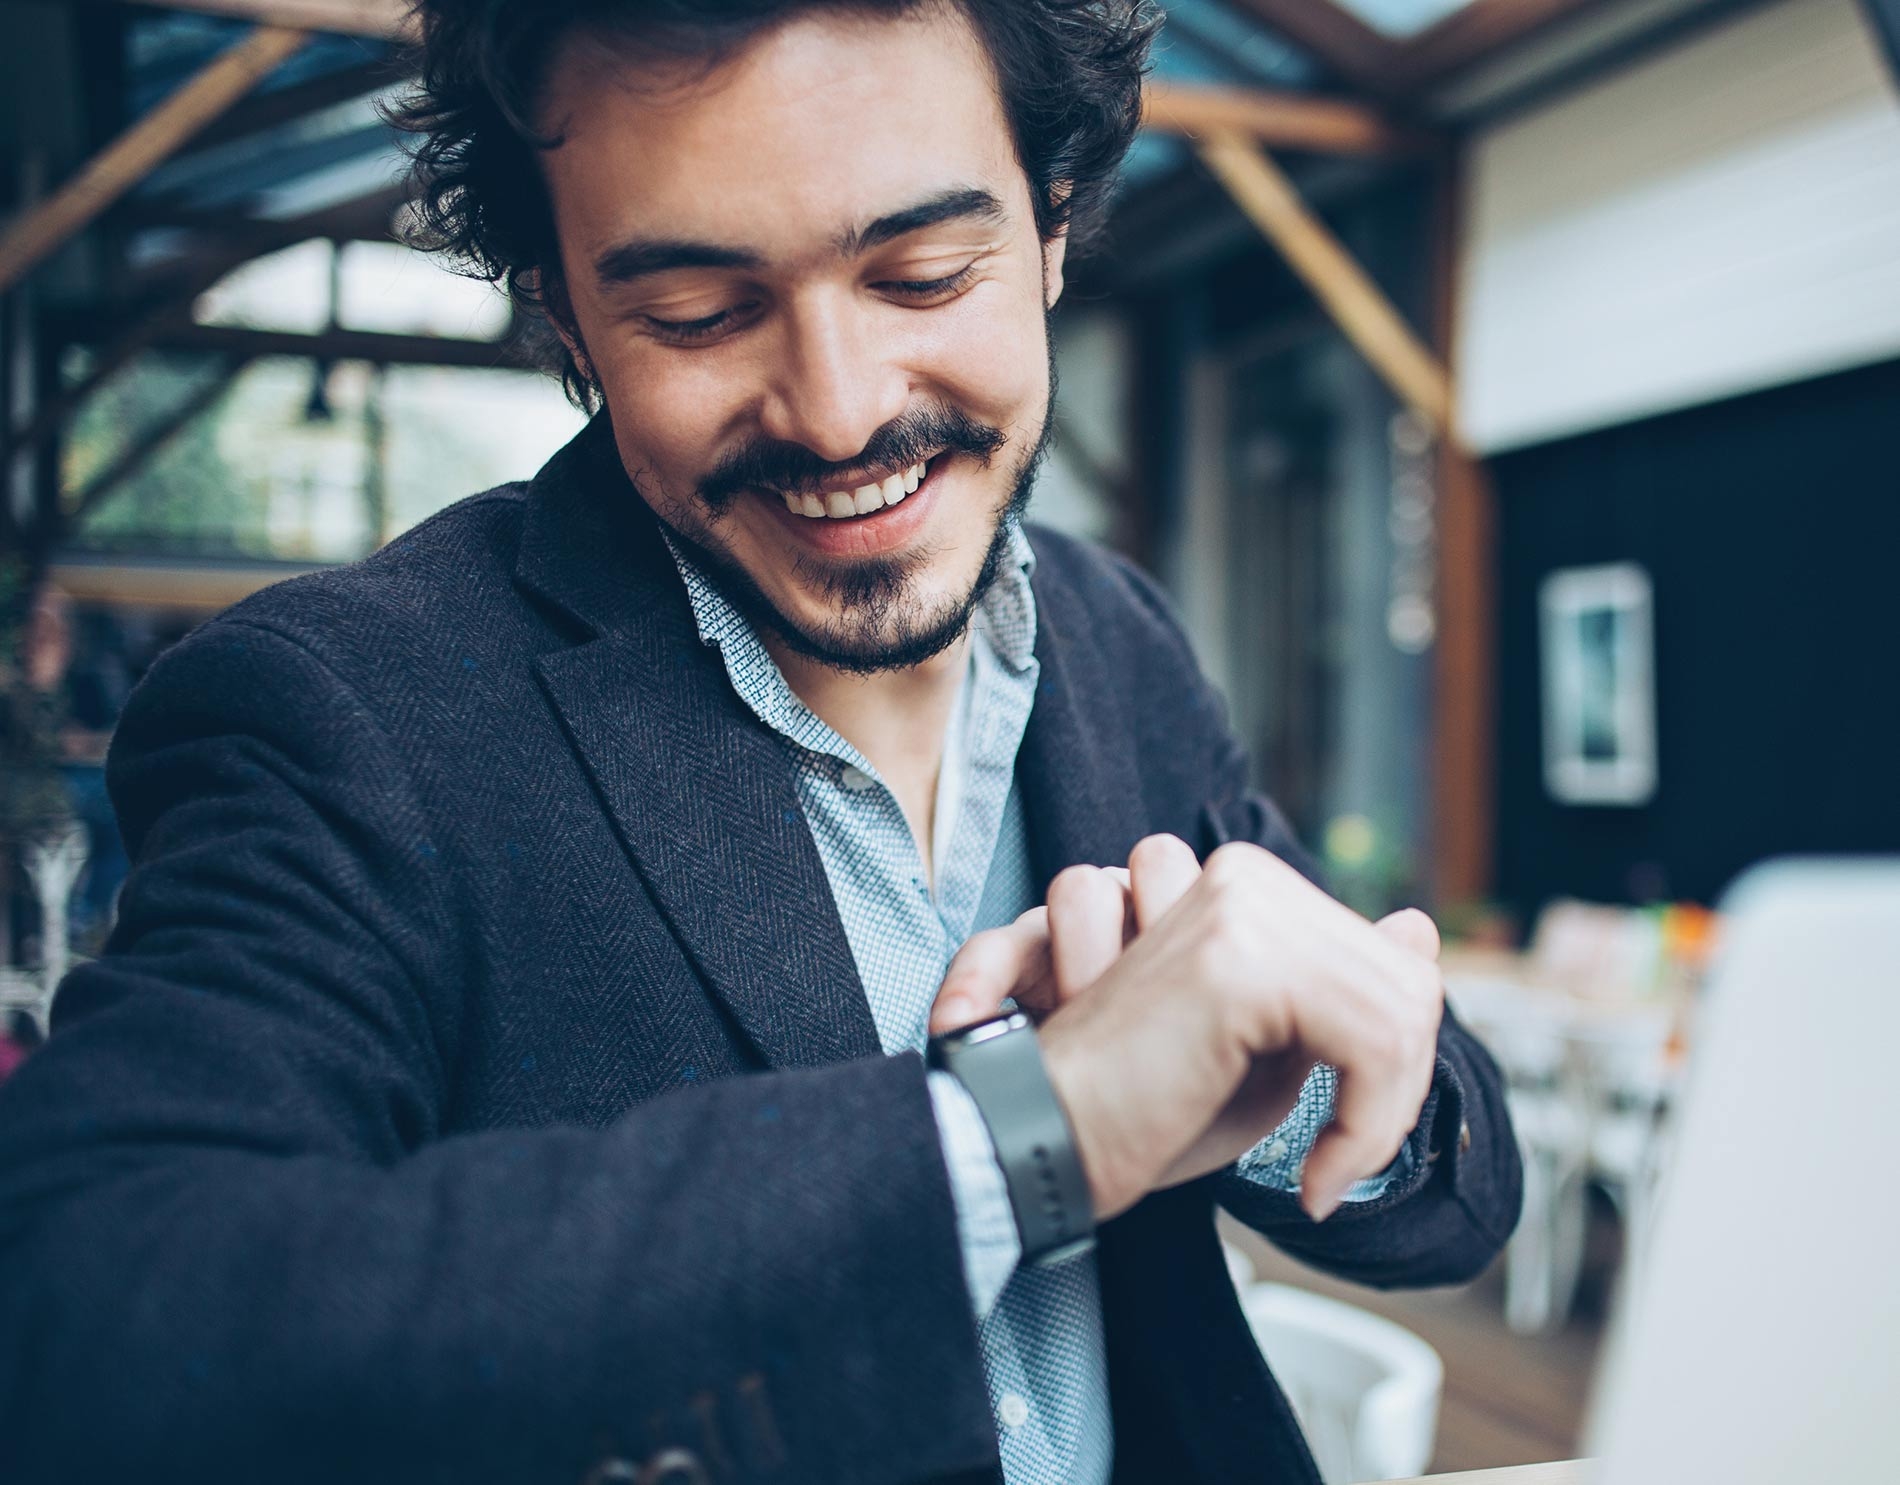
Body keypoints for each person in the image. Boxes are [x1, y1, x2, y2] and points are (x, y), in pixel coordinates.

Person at [0, 3, 1522, 1482]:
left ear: (1054, 226)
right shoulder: (345, 708)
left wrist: (1281, 1081)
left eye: (923, 273)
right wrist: (1027, 1135)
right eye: (698, 314)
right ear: (564, 313)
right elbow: (85, 1334)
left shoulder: (1119, 636)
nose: (842, 411)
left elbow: (1460, 1186)